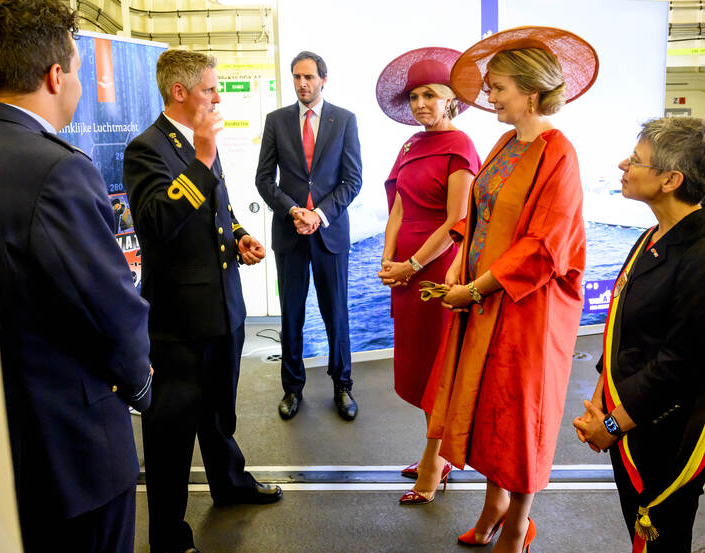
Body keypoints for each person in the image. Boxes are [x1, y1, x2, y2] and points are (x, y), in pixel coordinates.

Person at [0, 2, 153, 552]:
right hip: (73, 453)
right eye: (75, 69)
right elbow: (109, 308)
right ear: (56, 76)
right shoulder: (58, 169)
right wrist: (142, 385)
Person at [427, 27, 598, 553]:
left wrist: (476, 289)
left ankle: (519, 521)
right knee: (491, 410)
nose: (489, 97)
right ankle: (495, 505)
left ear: (530, 91)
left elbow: (547, 246)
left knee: (522, 415)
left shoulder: (559, 154)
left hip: (529, 310)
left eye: (498, 87)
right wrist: (458, 268)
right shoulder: (506, 142)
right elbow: (477, 218)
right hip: (485, 298)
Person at [123, 49, 281, 553]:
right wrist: (203, 159)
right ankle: (168, 535)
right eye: (211, 89)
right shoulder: (146, 148)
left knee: (219, 413)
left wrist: (237, 236)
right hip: (178, 320)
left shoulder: (198, 144)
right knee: (170, 435)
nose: (218, 98)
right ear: (180, 92)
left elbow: (217, 210)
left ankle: (229, 484)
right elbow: (157, 225)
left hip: (222, 307)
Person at [574, 117, 705, 553]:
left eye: (635, 161)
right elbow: (621, 331)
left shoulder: (699, 255)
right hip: (631, 416)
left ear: (670, 179)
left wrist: (610, 424)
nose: (623, 165)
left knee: (662, 536)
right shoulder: (653, 235)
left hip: (668, 428)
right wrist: (598, 407)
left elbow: (679, 367)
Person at [374, 47, 479, 505]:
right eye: (414, 96)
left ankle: (435, 464)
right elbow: (398, 206)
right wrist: (387, 260)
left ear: (451, 99)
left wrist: (412, 264)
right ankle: (435, 451)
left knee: (440, 369)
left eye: (430, 95)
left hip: (435, 268)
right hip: (405, 270)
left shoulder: (461, 146)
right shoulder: (410, 145)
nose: (420, 104)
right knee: (420, 368)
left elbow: (457, 221)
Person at [255, 50, 362, 421]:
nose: (302, 83)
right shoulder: (277, 121)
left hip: (329, 234)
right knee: (291, 316)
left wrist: (318, 214)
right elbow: (264, 179)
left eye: (309, 77)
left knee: (337, 315)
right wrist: (293, 210)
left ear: (323, 80)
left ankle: (342, 385)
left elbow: (353, 180)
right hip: (290, 233)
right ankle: (292, 388)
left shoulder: (344, 120)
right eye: (297, 77)